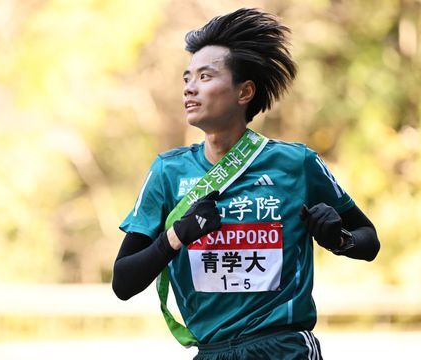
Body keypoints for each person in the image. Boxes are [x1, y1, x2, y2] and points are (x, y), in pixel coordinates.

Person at [112, 8, 380, 359]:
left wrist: (338, 239)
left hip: (284, 349)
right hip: (211, 351)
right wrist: (176, 236)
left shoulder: (296, 163)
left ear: (244, 92)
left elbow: (369, 240)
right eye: (186, 78)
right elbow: (123, 282)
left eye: (205, 77)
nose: (190, 89)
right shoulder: (167, 172)